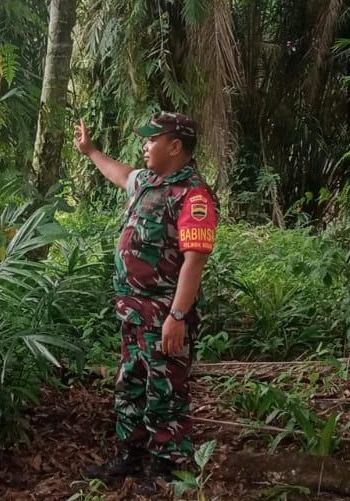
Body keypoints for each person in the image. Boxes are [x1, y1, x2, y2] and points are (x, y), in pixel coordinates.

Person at [73, 111, 218, 483]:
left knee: (165, 392)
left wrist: (178, 315)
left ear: (175, 146)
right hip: (134, 315)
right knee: (131, 386)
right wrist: (90, 151)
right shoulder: (149, 182)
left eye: (153, 139)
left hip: (163, 317)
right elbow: (120, 173)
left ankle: (165, 468)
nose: (145, 145)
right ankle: (129, 457)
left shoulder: (194, 195)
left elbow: (194, 262)